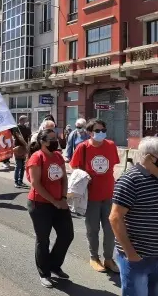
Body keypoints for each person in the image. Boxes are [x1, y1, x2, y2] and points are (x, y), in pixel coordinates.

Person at [109, 136, 158, 296]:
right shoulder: (130, 180)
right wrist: (131, 253)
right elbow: (115, 218)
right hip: (138, 257)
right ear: (151, 158)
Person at [70, 119, 120, 273]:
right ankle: (94, 258)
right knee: (93, 229)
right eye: (97, 131)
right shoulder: (82, 148)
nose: (101, 133)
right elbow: (75, 168)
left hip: (109, 194)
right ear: (89, 133)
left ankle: (109, 259)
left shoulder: (111, 145)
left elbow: (113, 167)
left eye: (103, 130)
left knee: (111, 229)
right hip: (90, 197)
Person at [27, 128, 74, 288]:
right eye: (52, 139)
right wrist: (54, 201)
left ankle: (54, 265)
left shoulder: (58, 156)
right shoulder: (36, 157)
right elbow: (36, 184)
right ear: (43, 141)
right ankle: (44, 273)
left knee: (67, 235)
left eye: (56, 138)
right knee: (43, 240)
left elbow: (64, 179)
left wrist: (62, 198)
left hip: (59, 202)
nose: (56, 141)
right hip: (39, 204)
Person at [14, 116, 31, 187]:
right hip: (18, 148)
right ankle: (16, 182)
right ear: (21, 120)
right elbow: (14, 137)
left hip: (25, 148)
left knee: (23, 166)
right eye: (26, 120)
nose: (27, 122)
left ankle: (20, 181)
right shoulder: (16, 128)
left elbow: (29, 137)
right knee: (18, 165)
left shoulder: (27, 128)